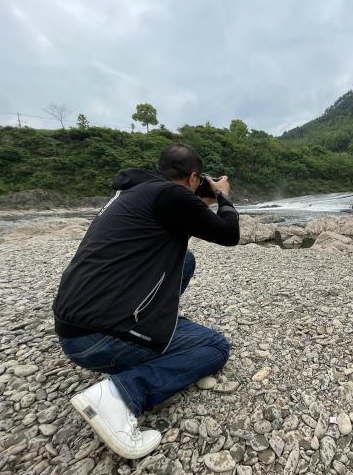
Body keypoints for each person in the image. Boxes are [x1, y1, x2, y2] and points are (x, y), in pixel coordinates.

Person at [52, 143, 239, 459]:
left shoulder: (134, 194)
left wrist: (200, 197)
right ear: (194, 177)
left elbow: (181, 214)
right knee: (215, 347)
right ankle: (119, 396)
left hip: (72, 326)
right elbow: (229, 234)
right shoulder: (172, 196)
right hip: (99, 338)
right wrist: (222, 196)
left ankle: (150, 329)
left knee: (186, 260)